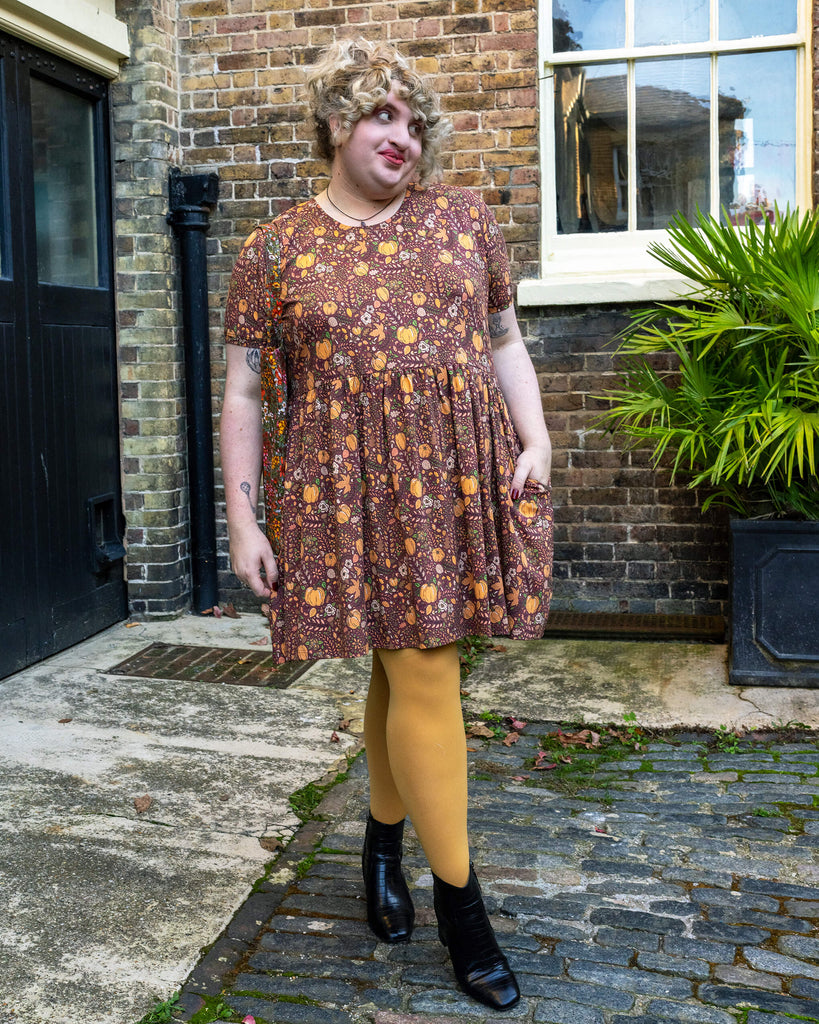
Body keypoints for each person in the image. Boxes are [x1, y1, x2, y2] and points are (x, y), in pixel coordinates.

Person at [221, 38, 553, 1012]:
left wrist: (537, 439)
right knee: (407, 663)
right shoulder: (273, 249)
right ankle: (464, 909)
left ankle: (386, 848)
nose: (401, 134)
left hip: (449, 481)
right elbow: (243, 390)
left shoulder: (462, 223)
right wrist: (245, 518)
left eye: (413, 120)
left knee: (414, 662)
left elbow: (505, 341)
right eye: (381, 114)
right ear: (334, 122)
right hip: (340, 488)